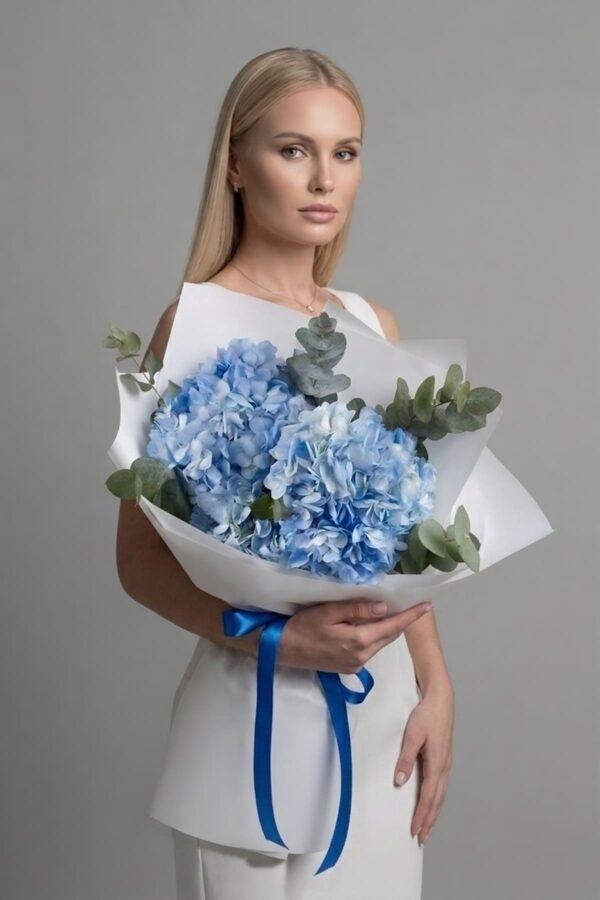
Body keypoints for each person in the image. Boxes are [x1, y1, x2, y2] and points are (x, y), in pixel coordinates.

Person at [116, 46, 455, 900]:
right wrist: (275, 639)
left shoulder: (369, 321)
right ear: (236, 161)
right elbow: (139, 562)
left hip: (382, 730)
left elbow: (401, 541)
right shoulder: (189, 325)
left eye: (344, 153)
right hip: (252, 730)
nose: (323, 180)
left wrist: (437, 685)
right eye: (293, 149)